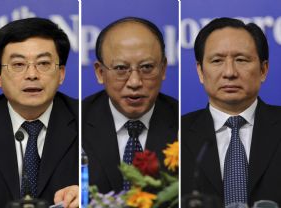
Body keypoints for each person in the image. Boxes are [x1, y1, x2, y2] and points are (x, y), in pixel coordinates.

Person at [0, 17, 79, 208]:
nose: (32, 74)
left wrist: (84, 195)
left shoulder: (87, 120)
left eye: (43, 63)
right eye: (18, 64)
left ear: (61, 74)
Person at [181, 17, 281, 206]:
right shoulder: (175, 134)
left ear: (263, 70)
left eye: (241, 60)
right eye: (217, 60)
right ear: (200, 71)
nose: (229, 72)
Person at [82, 17, 178, 194]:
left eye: (147, 67)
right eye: (120, 68)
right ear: (100, 72)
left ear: (163, 69)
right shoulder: (75, 123)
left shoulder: (184, 126)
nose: (135, 82)